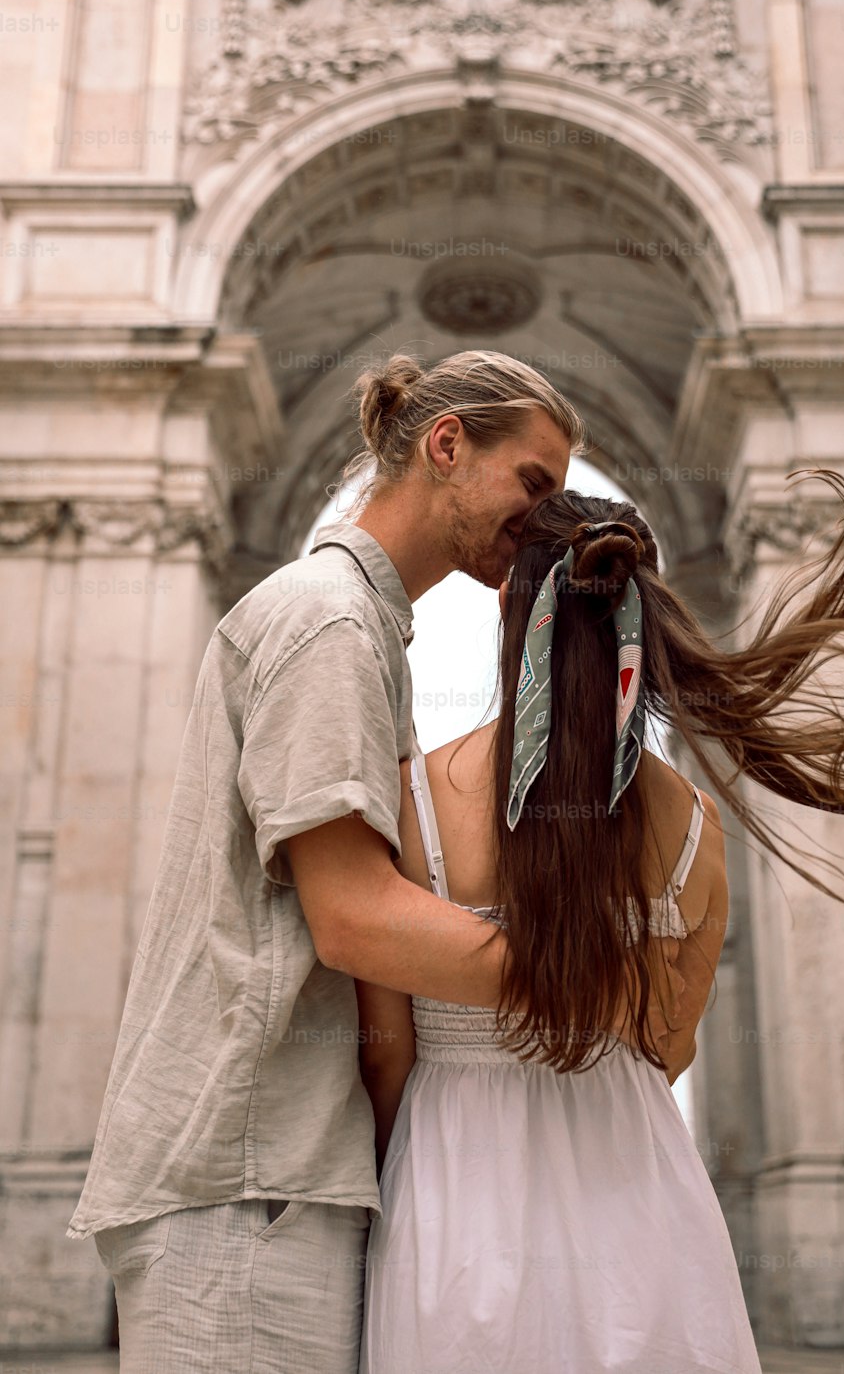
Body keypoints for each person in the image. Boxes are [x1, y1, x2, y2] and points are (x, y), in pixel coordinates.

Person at [68, 351, 683, 1374]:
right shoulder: (330, 623)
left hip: (263, 1177)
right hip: (249, 1181)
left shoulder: (351, 622)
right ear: (446, 446)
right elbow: (354, 918)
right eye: (531, 482)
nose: (542, 518)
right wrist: (588, 980)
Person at [355, 472, 844, 1374]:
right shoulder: (692, 824)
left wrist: (411, 1156)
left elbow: (385, 1047)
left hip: (453, 1200)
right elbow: (668, 1045)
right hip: (638, 1199)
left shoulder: (416, 799)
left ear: (514, 612)